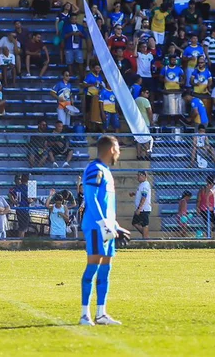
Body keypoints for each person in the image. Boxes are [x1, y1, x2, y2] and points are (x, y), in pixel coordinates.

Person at [80, 136, 131, 326]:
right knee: (92, 266)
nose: (119, 151)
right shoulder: (94, 169)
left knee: (105, 269)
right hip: (95, 226)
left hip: (107, 227)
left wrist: (116, 226)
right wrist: (103, 224)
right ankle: (85, 314)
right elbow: (91, 198)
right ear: (110, 149)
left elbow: (106, 204)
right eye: (117, 147)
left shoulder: (107, 172)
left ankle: (101, 313)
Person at [130, 171, 152, 239]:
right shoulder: (142, 184)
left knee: (145, 225)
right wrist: (134, 194)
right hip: (141, 209)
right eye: (138, 175)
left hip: (144, 209)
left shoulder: (145, 185)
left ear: (144, 176)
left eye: (140, 175)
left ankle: (146, 238)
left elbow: (144, 197)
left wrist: (139, 209)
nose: (138, 177)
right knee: (135, 222)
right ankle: (146, 236)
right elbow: (141, 194)